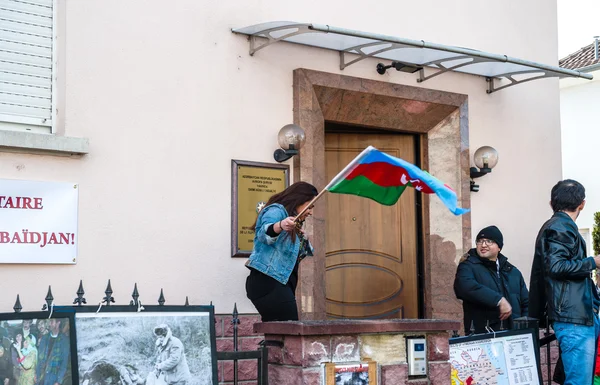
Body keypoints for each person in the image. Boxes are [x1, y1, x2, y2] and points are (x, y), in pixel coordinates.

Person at [529, 179, 600, 385]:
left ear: (552, 203)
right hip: (573, 318)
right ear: (582, 204)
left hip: (577, 315)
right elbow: (557, 267)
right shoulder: (561, 226)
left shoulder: (561, 226)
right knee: (579, 381)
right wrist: (593, 262)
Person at [245, 181, 318, 321]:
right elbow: (263, 234)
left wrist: (303, 238)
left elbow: (297, 256)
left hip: (279, 283)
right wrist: (280, 225)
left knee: (279, 334)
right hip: (269, 282)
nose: (310, 211)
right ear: (299, 199)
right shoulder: (276, 211)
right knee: (288, 331)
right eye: (310, 206)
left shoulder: (294, 223)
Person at [454, 225, 529, 334]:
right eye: (480, 241)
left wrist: (524, 328)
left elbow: (526, 303)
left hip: (513, 337)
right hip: (482, 336)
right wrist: (499, 300)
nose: (483, 245)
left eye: (489, 241)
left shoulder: (513, 272)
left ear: (499, 247)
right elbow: (464, 287)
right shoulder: (468, 265)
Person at [35, 318, 70, 385]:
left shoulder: (64, 340)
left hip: (53, 377)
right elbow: (39, 358)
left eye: (51, 321)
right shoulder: (44, 338)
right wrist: (36, 373)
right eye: (49, 322)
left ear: (58, 323)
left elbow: (64, 363)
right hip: (41, 375)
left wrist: (58, 381)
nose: (49, 324)